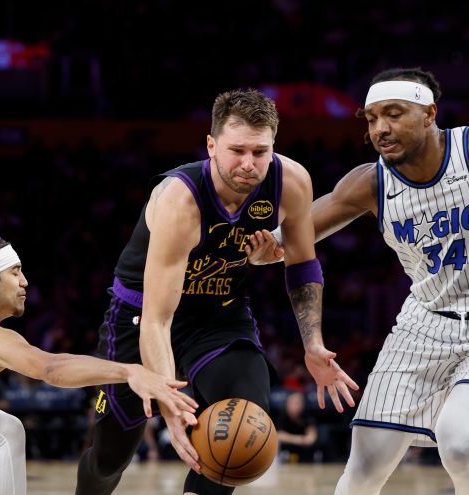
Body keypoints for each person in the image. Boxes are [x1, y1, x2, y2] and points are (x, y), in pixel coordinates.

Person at [75, 88, 359, 495]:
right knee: (110, 458)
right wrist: (170, 407)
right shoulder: (179, 200)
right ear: (211, 145)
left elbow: (302, 266)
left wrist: (313, 345)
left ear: (274, 146)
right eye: (236, 150)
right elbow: (156, 320)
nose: (248, 163)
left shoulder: (291, 181)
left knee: (241, 429)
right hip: (140, 317)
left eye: (260, 152)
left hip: (219, 313)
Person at [246, 67, 469, 494]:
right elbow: (292, 237)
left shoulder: (466, 150)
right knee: (364, 465)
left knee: (461, 444)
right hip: (424, 322)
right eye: (371, 118)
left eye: (393, 114)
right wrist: (266, 249)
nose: (380, 129)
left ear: (429, 114)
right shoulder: (370, 182)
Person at [0, 235, 197, 495]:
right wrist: (129, 371)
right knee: (4, 432)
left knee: (5, 430)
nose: (24, 281)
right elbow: (50, 368)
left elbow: (54, 362)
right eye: (15, 273)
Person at [276, 391, 318, 463]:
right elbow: (278, 435)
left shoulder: (307, 417)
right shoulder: (281, 416)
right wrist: (297, 439)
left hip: (304, 454)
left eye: (297, 403)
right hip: (285, 452)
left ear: (302, 404)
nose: (293, 406)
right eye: (291, 403)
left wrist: (306, 440)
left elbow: (311, 437)